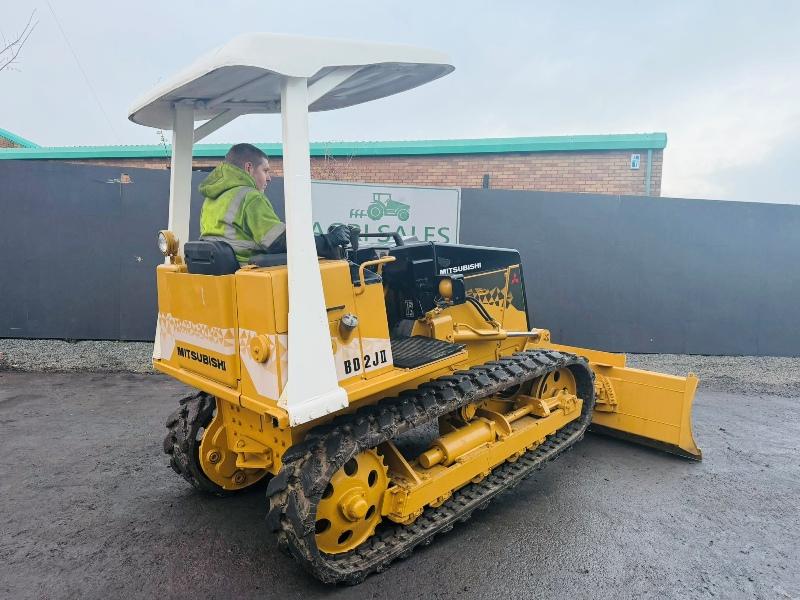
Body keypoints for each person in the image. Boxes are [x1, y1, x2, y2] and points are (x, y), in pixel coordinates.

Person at [199, 143, 352, 265]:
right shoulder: (251, 197)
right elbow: (278, 241)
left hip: (221, 275)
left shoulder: (211, 199)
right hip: (249, 273)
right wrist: (328, 240)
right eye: (265, 171)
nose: (269, 178)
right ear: (249, 168)